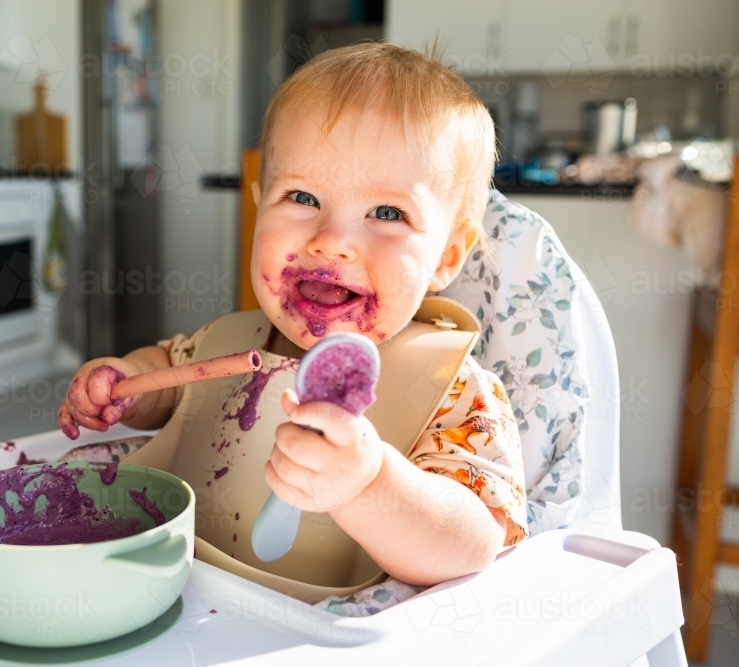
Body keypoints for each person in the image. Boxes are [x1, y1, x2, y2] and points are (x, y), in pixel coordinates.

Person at [58, 43, 526, 600]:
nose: (332, 241)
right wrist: (127, 383)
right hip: (168, 595)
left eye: (387, 213)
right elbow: (173, 382)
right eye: (302, 197)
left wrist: (369, 481)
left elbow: (472, 543)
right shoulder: (230, 340)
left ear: (447, 258)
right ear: (259, 207)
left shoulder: (453, 393)